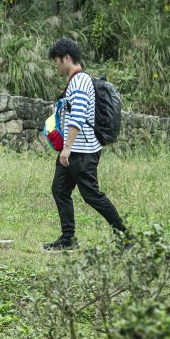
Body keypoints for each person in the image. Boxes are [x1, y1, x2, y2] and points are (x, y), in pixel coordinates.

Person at [43, 37, 128, 249]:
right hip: (73, 149)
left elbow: (78, 117)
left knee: (92, 195)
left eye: (56, 61)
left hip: (81, 151)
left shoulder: (80, 82)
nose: (55, 65)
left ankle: (126, 238)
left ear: (67, 58)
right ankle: (68, 239)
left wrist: (67, 148)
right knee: (60, 190)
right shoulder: (75, 81)